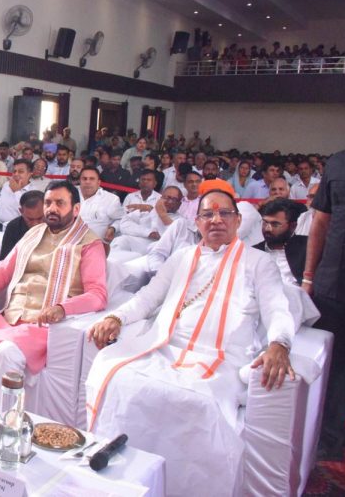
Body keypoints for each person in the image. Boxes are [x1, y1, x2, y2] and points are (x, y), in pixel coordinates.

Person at [86, 188, 295, 496]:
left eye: (224, 213)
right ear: (197, 222)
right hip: (166, 348)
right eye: (207, 214)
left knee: (200, 403)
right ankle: (124, 481)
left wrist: (279, 343)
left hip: (222, 360)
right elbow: (147, 298)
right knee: (116, 374)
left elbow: (276, 306)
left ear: (238, 221)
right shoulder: (182, 257)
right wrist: (116, 317)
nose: (216, 220)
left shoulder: (258, 262)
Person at [0, 181, 107, 393]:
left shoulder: (89, 244)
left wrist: (62, 308)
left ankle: (3, 415)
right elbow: (1, 273)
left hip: (43, 327)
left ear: (76, 209)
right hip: (9, 319)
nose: (52, 208)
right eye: (48, 203)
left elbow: (98, 295)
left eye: (60, 203)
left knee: (6, 352)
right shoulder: (33, 234)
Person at [303, 147, 345, 460]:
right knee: (333, 369)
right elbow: (321, 222)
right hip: (333, 284)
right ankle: (329, 440)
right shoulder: (339, 163)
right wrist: (309, 276)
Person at [254, 198, 307, 286]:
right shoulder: (254, 251)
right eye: (265, 222)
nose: (267, 229)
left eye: (275, 224)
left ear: (293, 226)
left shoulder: (307, 249)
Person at [112, 170, 162, 254]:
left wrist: (150, 209)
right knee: (118, 243)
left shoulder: (160, 199)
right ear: (139, 182)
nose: (145, 182)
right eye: (143, 179)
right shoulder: (130, 197)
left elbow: (161, 220)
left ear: (155, 183)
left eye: (149, 180)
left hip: (150, 238)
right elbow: (122, 217)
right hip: (130, 235)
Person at [78, 166, 124, 243]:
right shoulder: (70, 195)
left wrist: (113, 228)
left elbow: (121, 219)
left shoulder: (111, 199)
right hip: (70, 244)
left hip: (98, 245)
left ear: (99, 182)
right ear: (79, 181)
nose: (87, 182)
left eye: (92, 179)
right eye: (84, 179)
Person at [0, 159, 33, 230]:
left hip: (12, 229)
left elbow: (27, 213)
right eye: (14, 171)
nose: (16, 174)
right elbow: (0, 204)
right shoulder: (7, 185)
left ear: (30, 174)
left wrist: (16, 191)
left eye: (20, 172)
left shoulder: (33, 192)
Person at [0, 190, 44, 260]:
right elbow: (5, 260)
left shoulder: (57, 225)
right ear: (21, 211)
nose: (35, 224)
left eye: (40, 218)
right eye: (30, 219)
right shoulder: (13, 227)